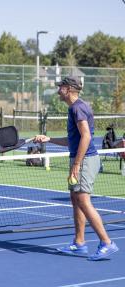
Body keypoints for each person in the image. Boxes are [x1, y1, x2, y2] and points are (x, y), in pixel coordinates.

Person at [34, 76, 119, 261]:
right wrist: (49, 139)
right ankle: (79, 243)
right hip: (81, 158)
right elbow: (73, 140)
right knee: (76, 199)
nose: (58, 91)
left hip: (86, 160)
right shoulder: (75, 108)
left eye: (60, 87)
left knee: (83, 200)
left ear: (69, 89)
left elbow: (86, 137)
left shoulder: (78, 108)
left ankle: (106, 242)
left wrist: (77, 164)